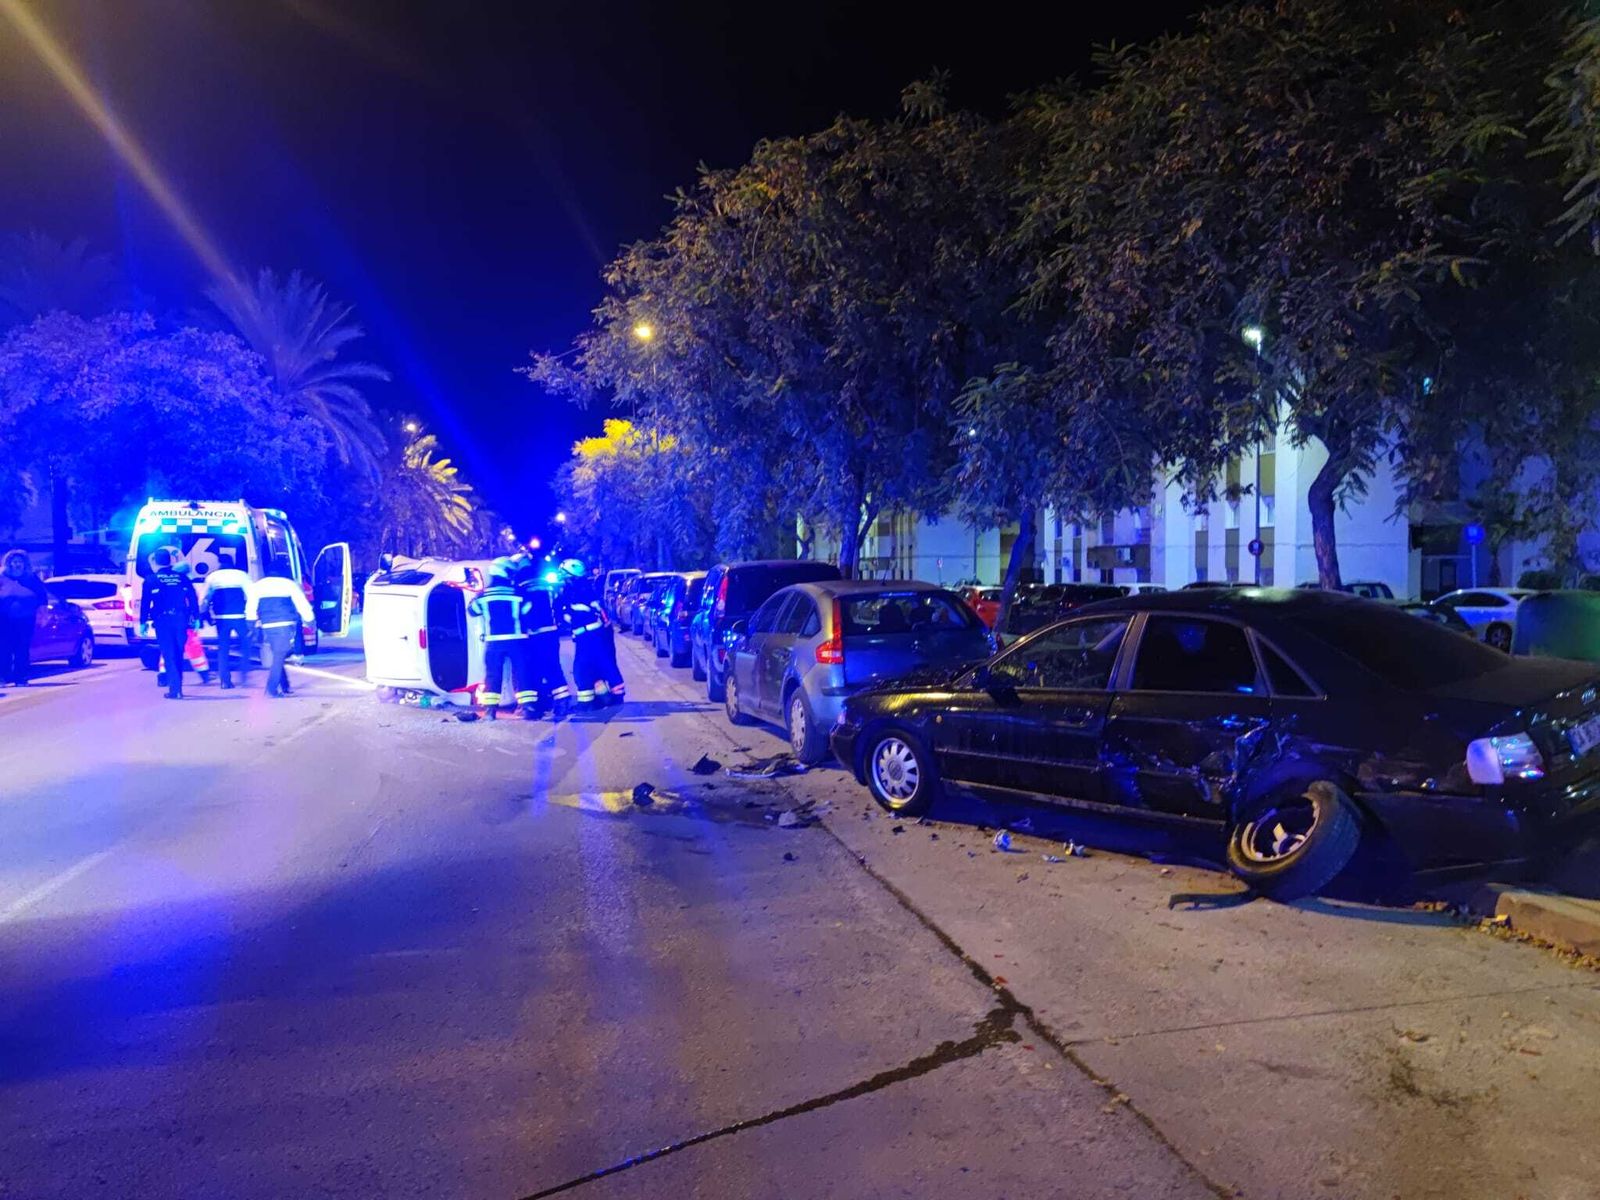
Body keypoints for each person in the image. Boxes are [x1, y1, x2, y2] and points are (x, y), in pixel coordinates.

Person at [467, 560, 539, 720]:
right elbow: (528, 611)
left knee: (493, 675)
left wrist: (475, 596)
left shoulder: (484, 595)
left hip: (494, 642)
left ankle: (490, 710)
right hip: (517, 640)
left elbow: (472, 611)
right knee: (522, 673)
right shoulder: (518, 593)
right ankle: (528, 708)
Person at [557, 557, 624, 710]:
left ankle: (588, 703)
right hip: (594, 635)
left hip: (590, 637)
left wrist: (564, 615)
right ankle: (606, 697)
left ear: (571, 577)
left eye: (564, 576)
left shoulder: (575, 593)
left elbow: (571, 616)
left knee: (583, 670)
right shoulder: (586, 590)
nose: (562, 581)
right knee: (600, 665)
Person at [510, 553, 569, 719]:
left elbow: (523, 610)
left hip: (534, 634)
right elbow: (558, 605)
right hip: (551, 632)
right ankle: (562, 702)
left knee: (533, 668)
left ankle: (537, 705)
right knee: (552, 666)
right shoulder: (547, 585)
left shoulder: (521, 587)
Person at [139, 549, 199, 699]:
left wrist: (143, 622)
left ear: (155, 561)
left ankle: (175, 689)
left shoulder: (151, 580)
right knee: (178, 653)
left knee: (169, 653)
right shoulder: (182, 578)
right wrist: (196, 617)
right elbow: (193, 598)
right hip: (181, 620)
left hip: (163, 621)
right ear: (170, 560)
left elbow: (145, 602)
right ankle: (177, 687)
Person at [246, 563, 313, 698]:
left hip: (267, 625)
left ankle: (285, 685)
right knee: (279, 655)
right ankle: (271, 689)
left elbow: (251, 606)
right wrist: (310, 620)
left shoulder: (257, 586)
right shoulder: (289, 584)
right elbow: (302, 604)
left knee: (278, 653)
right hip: (285, 623)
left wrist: (251, 623)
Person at [204, 551, 253, 689]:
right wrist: (252, 616)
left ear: (219, 563)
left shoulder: (213, 577)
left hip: (221, 618)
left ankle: (225, 681)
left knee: (223, 648)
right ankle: (244, 675)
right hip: (240, 616)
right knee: (246, 644)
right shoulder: (242, 575)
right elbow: (251, 595)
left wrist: (205, 615)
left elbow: (205, 598)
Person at [0, 549, 48, 688]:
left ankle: (21, 678)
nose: (17, 564)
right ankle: (2, 677)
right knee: (4, 648)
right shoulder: (2, 578)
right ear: (8, 563)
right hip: (4, 619)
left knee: (22, 648)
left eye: (20, 562)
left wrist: (43, 616)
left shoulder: (32, 579)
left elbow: (43, 598)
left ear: (25, 564)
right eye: (14, 562)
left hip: (26, 620)